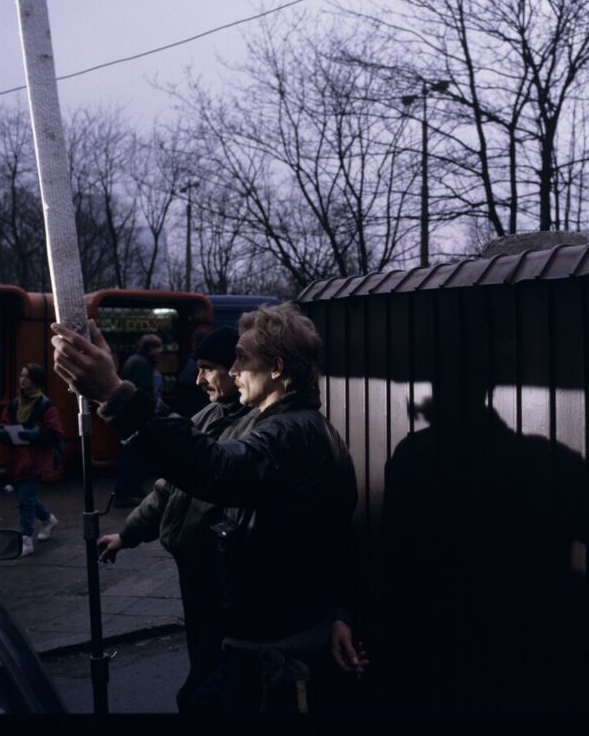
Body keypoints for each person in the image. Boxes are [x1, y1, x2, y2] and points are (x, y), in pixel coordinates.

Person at [51, 303, 367, 713]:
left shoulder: (289, 433)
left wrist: (116, 394)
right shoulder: (306, 427)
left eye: (242, 358)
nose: (233, 371)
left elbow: (216, 470)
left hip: (268, 647)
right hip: (265, 634)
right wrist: (340, 611)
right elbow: (335, 536)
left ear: (275, 368)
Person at [96, 326, 260, 713]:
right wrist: (128, 533)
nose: (200, 379)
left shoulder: (255, 426)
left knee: (218, 663)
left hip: (223, 569)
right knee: (202, 650)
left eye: (208, 368)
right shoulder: (207, 415)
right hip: (192, 567)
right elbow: (168, 488)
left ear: (236, 369)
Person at [0, 363, 61, 557]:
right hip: (17, 460)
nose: (22, 380)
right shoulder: (14, 404)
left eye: (27, 377)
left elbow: (54, 432)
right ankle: (48, 519)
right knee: (25, 496)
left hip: (35, 460)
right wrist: (3, 433)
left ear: (36, 381)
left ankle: (26, 539)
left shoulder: (45, 405)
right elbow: (3, 424)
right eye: (21, 376)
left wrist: (31, 435)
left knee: (25, 499)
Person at [115, 333, 163, 507]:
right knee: (133, 455)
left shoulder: (134, 360)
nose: (160, 351)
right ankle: (127, 493)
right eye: (158, 347)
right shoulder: (143, 364)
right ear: (150, 349)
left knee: (131, 454)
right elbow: (144, 392)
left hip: (127, 415)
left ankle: (129, 491)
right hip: (136, 417)